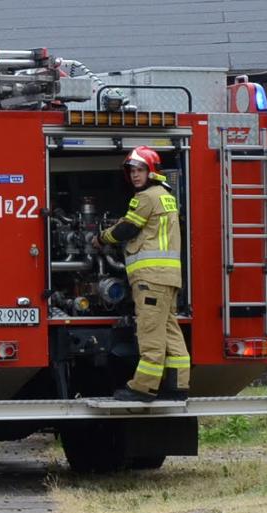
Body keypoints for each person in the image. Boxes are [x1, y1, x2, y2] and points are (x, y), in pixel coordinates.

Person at [99, 146, 189, 402]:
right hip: (168, 277)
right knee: (170, 329)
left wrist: (101, 238)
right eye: (132, 171)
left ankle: (143, 388)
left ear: (152, 171)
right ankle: (178, 385)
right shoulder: (166, 196)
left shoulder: (145, 198)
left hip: (151, 278)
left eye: (140, 170)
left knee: (150, 332)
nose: (135, 175)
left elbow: (127, 228)